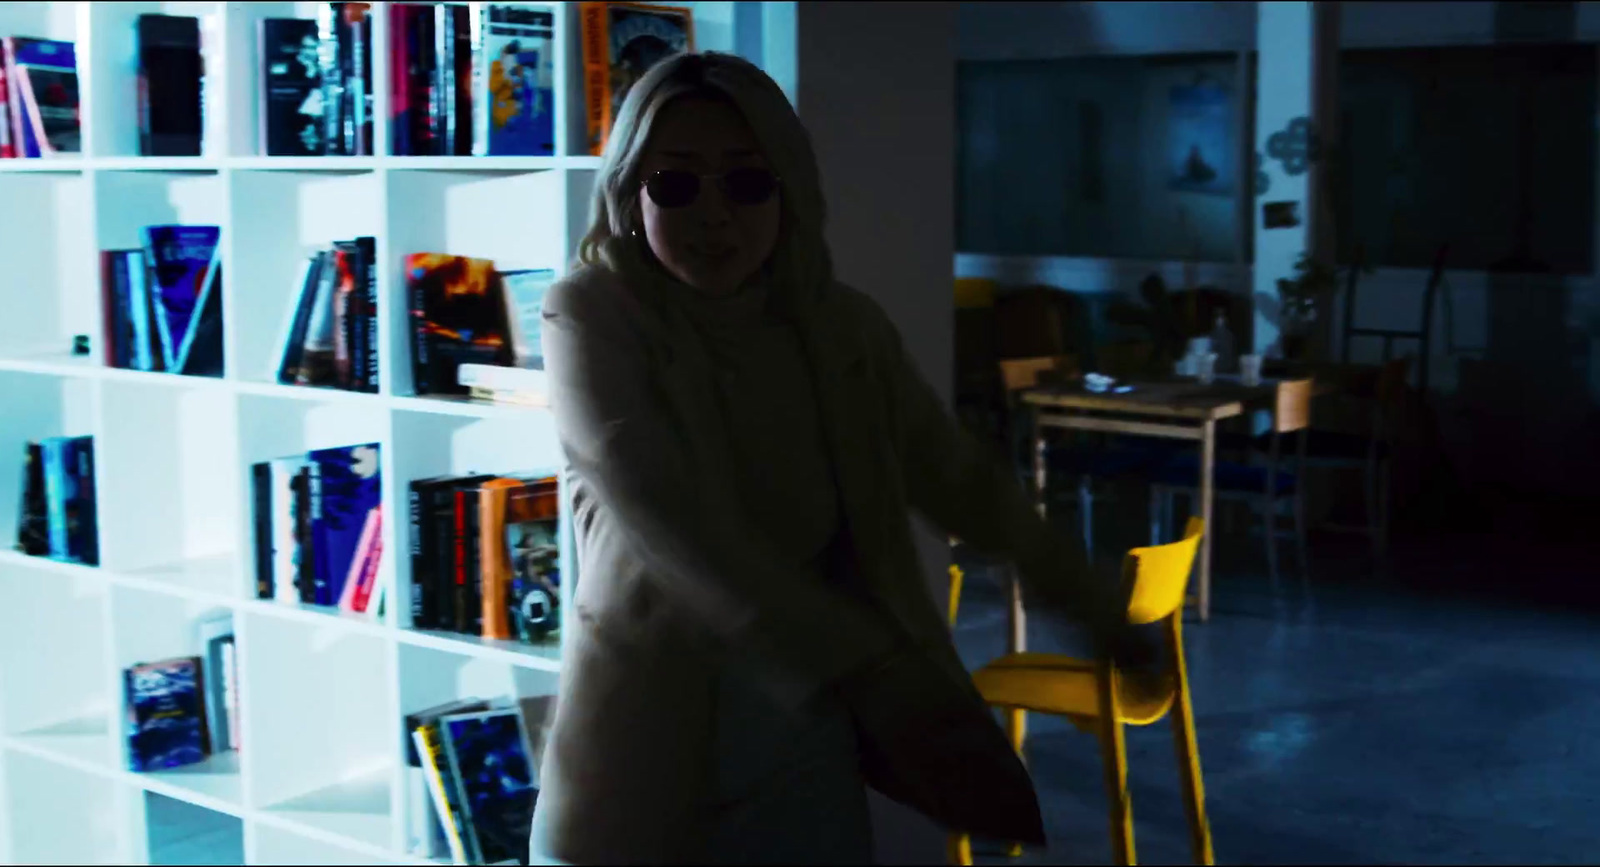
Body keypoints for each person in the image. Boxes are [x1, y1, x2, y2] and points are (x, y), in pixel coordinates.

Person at [529, 50, 1150, 865]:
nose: (713, 213)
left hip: (800, 745)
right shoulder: (590, 314)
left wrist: (1089, 602)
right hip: (643, 741)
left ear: (787, 186)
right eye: (676, 183)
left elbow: (958, 478)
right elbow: (668, 515)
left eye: (746, 181)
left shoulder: (841, 329)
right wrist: (871, 669)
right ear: (628, 192)